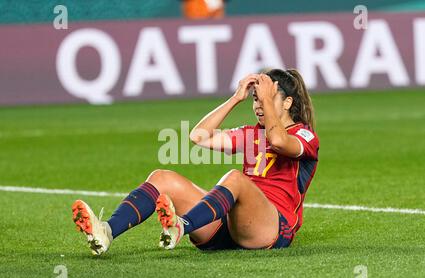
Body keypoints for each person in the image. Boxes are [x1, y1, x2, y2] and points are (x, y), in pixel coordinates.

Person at [72, 69, 319, 255]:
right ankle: (107, 232)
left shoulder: (304, 135)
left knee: (235, 178)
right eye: (255, 99)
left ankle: (182, 225)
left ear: (287, 103)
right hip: (230, 226)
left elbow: (278, 140)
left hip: (272, 229)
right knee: (162, 177)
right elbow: (199, 136)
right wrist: (235, 99)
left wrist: (266, 100)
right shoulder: (250, 133)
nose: (258, 105)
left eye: (266, 99)